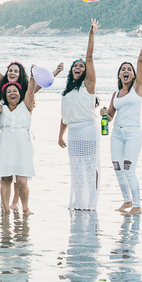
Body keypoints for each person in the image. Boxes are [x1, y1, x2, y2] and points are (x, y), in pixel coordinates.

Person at [107, 25, 142, 215]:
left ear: (133, 75)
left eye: (129, 69)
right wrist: (104, 114)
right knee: (118, 169)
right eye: (122, 70)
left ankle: (138, 205)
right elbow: (110, 117)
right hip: (117, 133)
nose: (126, 71)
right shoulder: (116, 93)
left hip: (133, 133)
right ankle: (127, 201)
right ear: (119, 75)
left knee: (129, 169)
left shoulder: (137, 88)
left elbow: (141, 61)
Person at [58, 19, 100, 211]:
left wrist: (91, 34)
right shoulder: (67, 92)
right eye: (75, 66)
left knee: (90, 167)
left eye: (81, 66)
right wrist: (60, 135)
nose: (78, 67)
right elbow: (64, 116)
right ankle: (79, 201)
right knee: (76, 168)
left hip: (88, 129)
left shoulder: (88, 85)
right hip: (73, 131)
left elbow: (89, 57)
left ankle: (90, 202)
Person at [0, 74, 42, 215]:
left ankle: (25, 208)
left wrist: (32, 78)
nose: (12, 93)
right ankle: (6, 208)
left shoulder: (26, 106)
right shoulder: (1, 108)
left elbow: (30, 91)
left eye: (15, 91)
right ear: (5, 95)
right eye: (9, 91)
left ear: (20, 94)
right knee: (6, 179)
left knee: (22, 180)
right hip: (5, 145)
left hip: (23, 145)